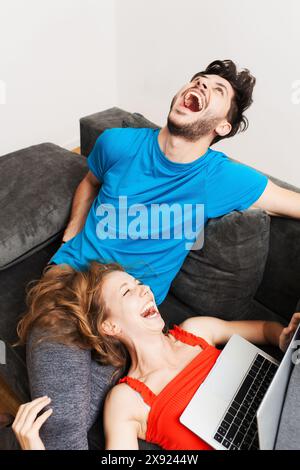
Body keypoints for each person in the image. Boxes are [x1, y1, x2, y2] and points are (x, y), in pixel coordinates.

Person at [25, 59, 300, 449]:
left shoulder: (222, 178)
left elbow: (292, 203)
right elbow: (90, 180)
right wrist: (72, 232)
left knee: (81, 419)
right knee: (64, 423)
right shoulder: (118, 144)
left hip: (130, 319)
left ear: (222, 126)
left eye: (216, 91)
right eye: (198, 81)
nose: (201, 87)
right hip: (70, 287)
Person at [13, 262, 300, 450]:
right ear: (110, 326)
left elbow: (263, 329)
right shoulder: (126, 400)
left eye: (139, 283)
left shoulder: (196, 330)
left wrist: (283, 337)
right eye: (128, 291)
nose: (145, 290)